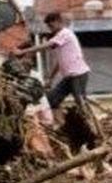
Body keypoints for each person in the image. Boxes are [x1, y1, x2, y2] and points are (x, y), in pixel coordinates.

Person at [14, 13, 100, 147]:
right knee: (51, 100)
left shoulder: (65, 33)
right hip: (68, 77)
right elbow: (60, 62)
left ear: (59, 21)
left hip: (78, 74)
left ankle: (94, 131)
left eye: (51, 25)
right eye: (48, 26)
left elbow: (46, 46)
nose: (50, 28)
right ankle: (62, 126)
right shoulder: (60, 38)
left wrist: (24, 51)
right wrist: (50, 78)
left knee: (81, 103)